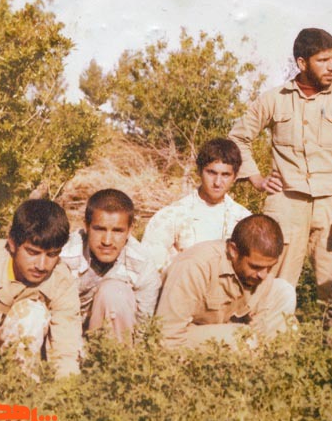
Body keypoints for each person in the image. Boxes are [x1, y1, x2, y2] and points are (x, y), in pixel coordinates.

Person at [228, 28, 332, 301]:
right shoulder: (274, 98)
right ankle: (269, 328)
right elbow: (237, 138)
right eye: (323, 60)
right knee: (273, 285)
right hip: (286, 203)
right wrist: (255, 178)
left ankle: (330, 331)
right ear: (302, 63)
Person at [0, 199, 81, 378]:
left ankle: (20, 388)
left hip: (27, 362)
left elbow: (65, 349)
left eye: (52, 255)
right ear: (12, 243)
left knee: (32, 315)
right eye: (33, 252)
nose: (41, 265)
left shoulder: (62, 280)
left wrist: (67, 390)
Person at [156, 214, 297, 350]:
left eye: (270, 267)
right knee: (244, 338)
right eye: (256, 267)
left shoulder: (258, 270)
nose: (263, 275)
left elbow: (260, 314)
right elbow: (167, 335)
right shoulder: (194, 266)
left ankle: (269, 356)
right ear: (233, 250)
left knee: (284, 291)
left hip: (224, 327)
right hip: (184, 333)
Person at [61, 189, 160, 342]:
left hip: (113, 339)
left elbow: (143, 326)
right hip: (64, 334)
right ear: (86, 226)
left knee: (114, 292)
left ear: (129, 231)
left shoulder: (142, 265)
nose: (107, 241)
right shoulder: (64, 255)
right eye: (99, 229)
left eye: (117, 231)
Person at [142, 138, 251, 273]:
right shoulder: (170, 216)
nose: (217, 182)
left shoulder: (244, 220)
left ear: (235, 177)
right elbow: (148, 268)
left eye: (225, 175)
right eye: (211, 173)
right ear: (199, 171)